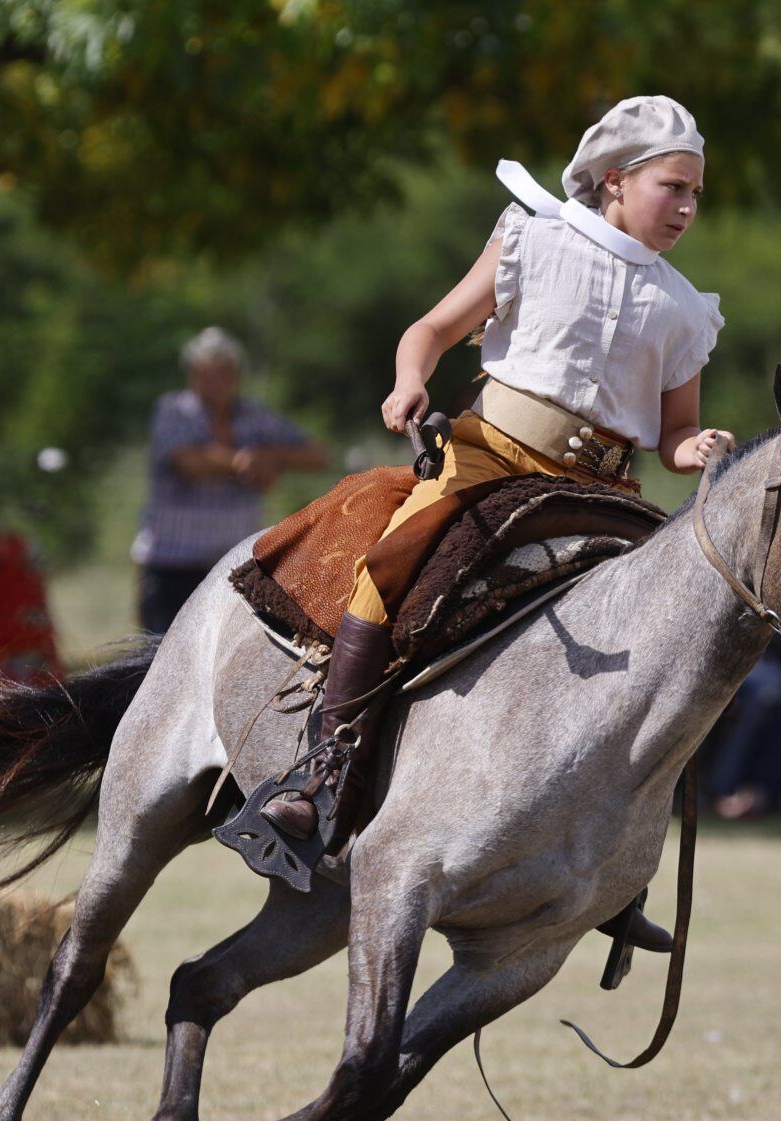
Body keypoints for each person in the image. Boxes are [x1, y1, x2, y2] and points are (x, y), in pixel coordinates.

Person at [260, 95, 730, 852]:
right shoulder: (532, 241)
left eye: (696, 194)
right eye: (672, 187)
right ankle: (324, 770)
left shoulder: (684, 310)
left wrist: (694, 447)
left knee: (663, 631)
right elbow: (433, 330)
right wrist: (409, 379)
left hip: (602, 493)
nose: (686, 207)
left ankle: (608, 850)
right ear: (614, 180)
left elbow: (672, 433)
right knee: (389, 568)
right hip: (487, 459)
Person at [132, 329, 328, 634]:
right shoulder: (175, 411)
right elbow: (187, 461)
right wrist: (242, 462)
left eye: (224, 374)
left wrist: (270, 456)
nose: (216, 383)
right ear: (193, 376)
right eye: (207, 374)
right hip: (173, 564)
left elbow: (317, 455)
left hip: (233, 567)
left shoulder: (255, 416)